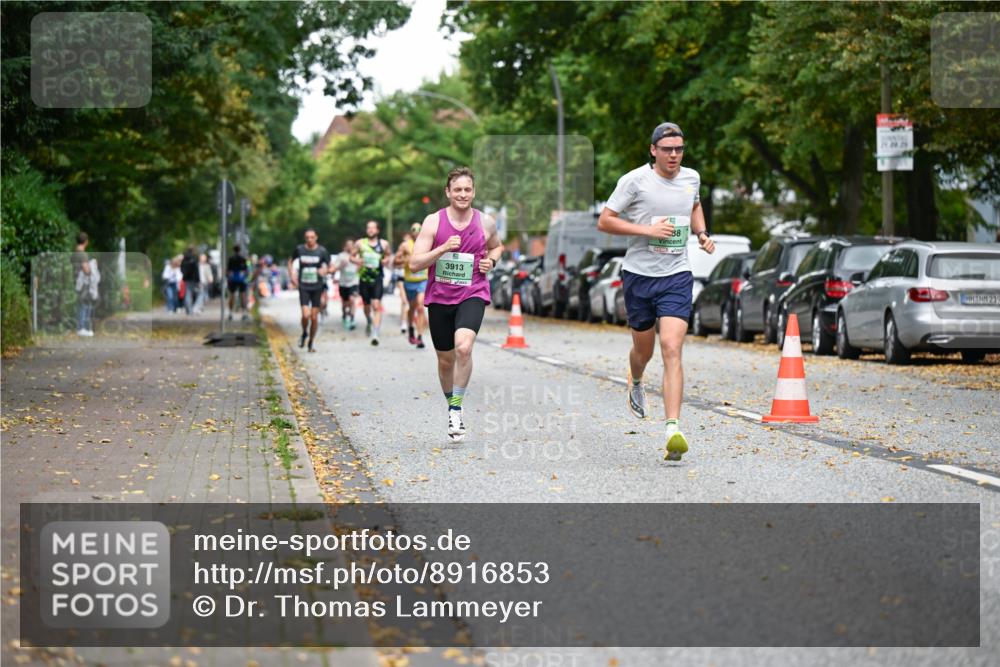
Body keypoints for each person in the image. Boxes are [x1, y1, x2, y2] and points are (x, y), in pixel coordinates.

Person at [598, 122, 716, 461]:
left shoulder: (691, 178)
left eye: (679, 149)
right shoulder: (635, 181)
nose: (674, 155)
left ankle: (673, 429)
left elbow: (694, 205)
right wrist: (646, 231)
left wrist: (702, 233)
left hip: (676, 274)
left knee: (672, 347)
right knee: (643, 351)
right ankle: (636, 379)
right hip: (639, 276)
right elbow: (605, 221)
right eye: (667, 150)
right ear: (653, 150)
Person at [410, 167, 503, 442]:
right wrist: (442, 249)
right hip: (440, 297)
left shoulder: (486, 222)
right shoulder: (433, 222)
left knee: (463, 348)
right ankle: (451, 402)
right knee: (445, 360)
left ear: (473, 192)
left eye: (467, 189)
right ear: (448, 192)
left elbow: (497, 246)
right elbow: (414, 263)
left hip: (472, 292)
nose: (463, 194)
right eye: (458, 189)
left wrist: (491, 261)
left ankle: (456, 409)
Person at [288, 228, 331, 352]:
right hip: (304, 286)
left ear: (316, 237)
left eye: (312, 237)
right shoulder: (300, 249)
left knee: (314, 317)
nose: (309, 239)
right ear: (305, 238)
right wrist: (292, 275)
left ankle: (311, 342)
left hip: (317, 287)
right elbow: (290, 261)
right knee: (305, 315)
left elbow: (330, 266)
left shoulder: (322, 251)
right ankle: (304, 332)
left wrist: (325, 270)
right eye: (307, 237)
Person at [353, 220, 391, 346]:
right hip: (364, 279)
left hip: (377, 278)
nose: (370, 230)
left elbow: (388, 256)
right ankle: (369, 321)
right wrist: (357, 261)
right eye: (368, 228)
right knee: (367, 306)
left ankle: (375, 333)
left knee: (376, 305)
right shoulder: (360, 243)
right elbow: (351, 256)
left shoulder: (384, 244)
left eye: (373, 228)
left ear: (377, 230)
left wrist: (385, 261)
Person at [396, 223, 428, 348]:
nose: (417, 231)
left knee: (420, 306)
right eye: (414, 229)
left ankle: (420, 337)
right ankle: (410, 329)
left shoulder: (428, 244)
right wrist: (405, 260)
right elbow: (395, 261)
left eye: (419, 229)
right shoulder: (405, 245)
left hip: (423, 280)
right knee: (412, 307)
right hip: (409, 281)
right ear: (411, 232)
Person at [72, 232, 96, 336]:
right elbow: (86, 269)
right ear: (86, 242)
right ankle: (82, 328)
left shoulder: (74, 254)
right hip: (83, 282)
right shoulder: (83, 254)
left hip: (76, 281)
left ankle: (83, 328)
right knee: (85, 304)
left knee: (82, 303)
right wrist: (92, 267)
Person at [335, 239, 360, 330]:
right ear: (345, 246)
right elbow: (335, 268)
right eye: (348, 245)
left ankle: (352, 318)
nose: (350, 247)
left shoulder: (358, 255)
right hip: (343, 283)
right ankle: (344, 315)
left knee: (352, 300)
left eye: (351, 245)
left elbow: (362, 265)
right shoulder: (341, 256)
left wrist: (359, 266)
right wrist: (341, 265)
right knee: (345, 303)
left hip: (354, 282)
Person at [227, 245, 250, 321]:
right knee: (243, 296)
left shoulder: (231, 259)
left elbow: (228, 270)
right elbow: (247, 270)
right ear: (240, 250)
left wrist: (228, 278)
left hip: (232, 279)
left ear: (233, 250)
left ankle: (230, 313)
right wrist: (247, 278)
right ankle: (244, 313)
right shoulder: (243, 259)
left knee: (232, 296)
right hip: (241, 279)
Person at [180, 246, 200, 315]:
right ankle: (191, 309)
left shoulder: (185, 258)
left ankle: (188, 309)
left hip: (186, 278)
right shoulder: (194, 258)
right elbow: (196, 270)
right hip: (193, 279)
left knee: (188, 294)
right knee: (194, 294)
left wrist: (184, 274)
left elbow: (181, 268)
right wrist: (198, 279)